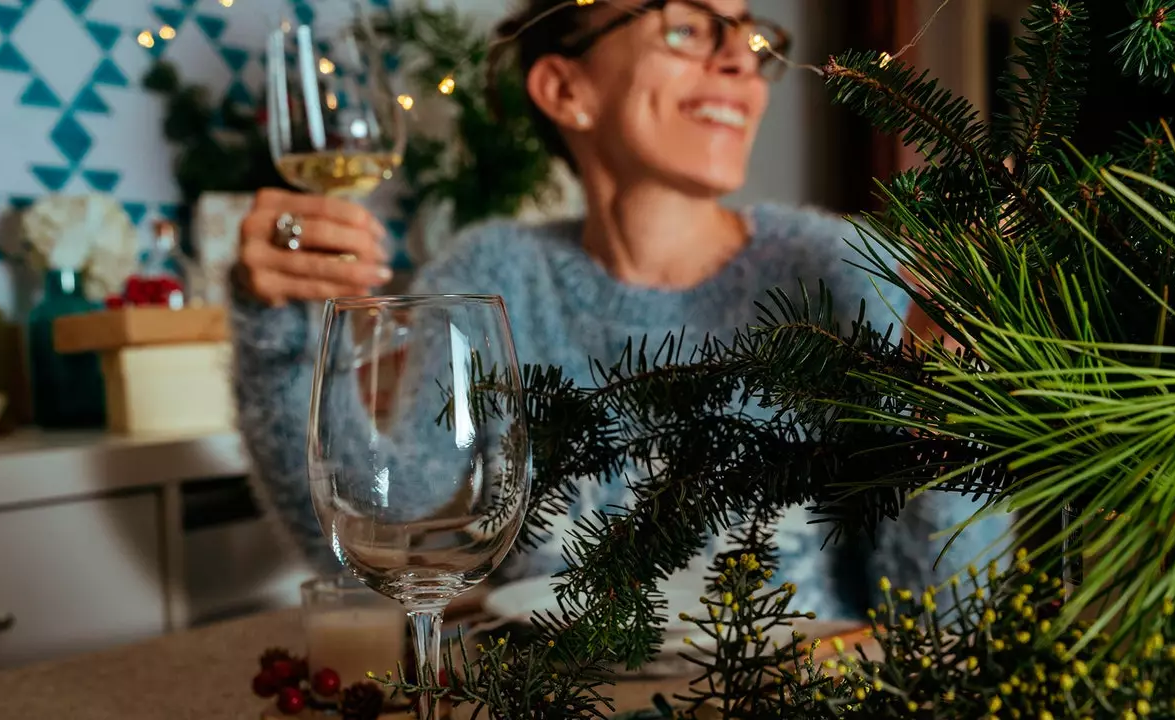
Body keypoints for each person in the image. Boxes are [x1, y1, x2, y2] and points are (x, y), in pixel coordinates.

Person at [230, 0, 1007, 619]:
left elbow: (954, 615)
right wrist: (276, 325)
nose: (742, 59)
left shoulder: (841, 272)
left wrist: (950, 397)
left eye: (748, 35)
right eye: (688, 26)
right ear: (566, 89)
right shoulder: (495, 276)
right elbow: (372, 548)